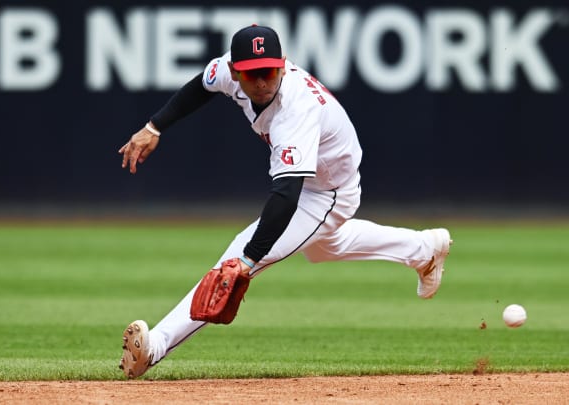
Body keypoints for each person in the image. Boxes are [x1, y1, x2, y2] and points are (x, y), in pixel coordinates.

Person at [117, 25, 452, 379]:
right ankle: (424, 248)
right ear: (235, 70)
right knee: (323, 247)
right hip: (315, 181)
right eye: (252, 73)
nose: (262, 81)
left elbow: (286, 194)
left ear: (283, 64)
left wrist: (249, 259)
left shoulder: (296, 108)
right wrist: (154, 127)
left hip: (328, 190)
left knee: (235, 257)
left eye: (269, 71)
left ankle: (155, 347)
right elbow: (200, 86)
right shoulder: (227, 71)